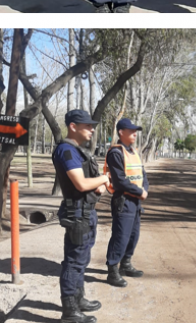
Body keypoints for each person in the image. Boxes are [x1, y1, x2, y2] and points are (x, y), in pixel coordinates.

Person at [52, 110, 109, 323]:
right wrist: (103, 178)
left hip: (86, 212)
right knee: (74, 262)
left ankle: (79, 298)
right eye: (87, 125)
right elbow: (82, 184)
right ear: (73, 126)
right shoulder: (66, 151)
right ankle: (69, 311)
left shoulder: (77, 151)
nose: (92, 129)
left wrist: (99, 185)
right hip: (77, 215)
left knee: (82, 259)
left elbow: (91, 185)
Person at [102, 118, 149, 287]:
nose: (135, 133)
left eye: (136, 130)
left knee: (133, 235)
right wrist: (140, 192)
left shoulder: (134, 151)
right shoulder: (116, 152)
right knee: (120, 236)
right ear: (121, 132)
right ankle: (112, 271)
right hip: (124, 200)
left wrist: (145, 189)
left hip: (135, 201)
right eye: (131, 130)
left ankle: (126, 264)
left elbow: (142, 174)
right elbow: (120, 181)